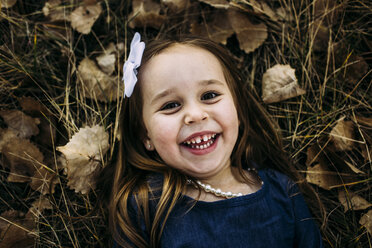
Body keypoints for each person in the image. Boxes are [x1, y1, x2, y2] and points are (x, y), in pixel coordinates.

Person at [99, 33, 324, 248]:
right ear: (145, 136)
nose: (196, 115)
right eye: (170, 105)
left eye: (209, 96)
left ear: (237, 107)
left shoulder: (282, 192)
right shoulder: (147, 206)